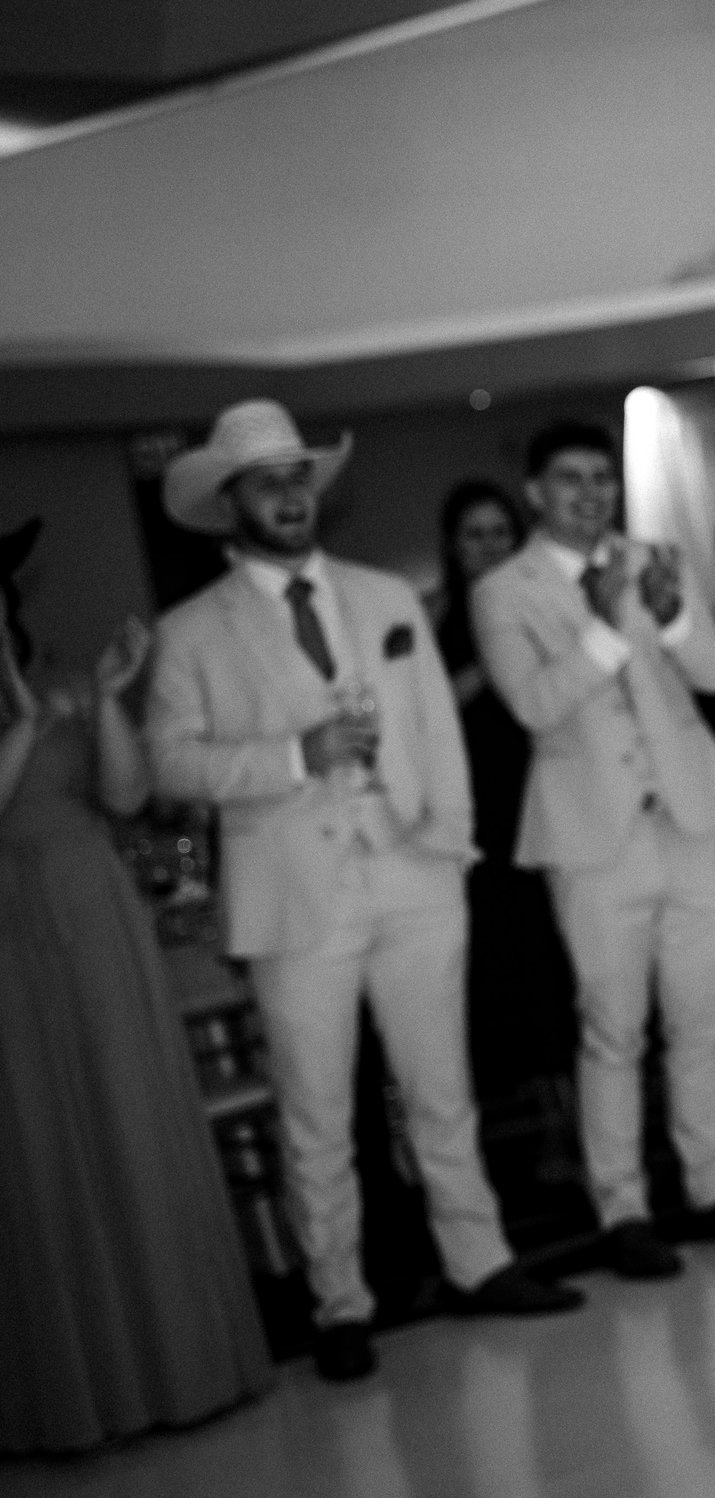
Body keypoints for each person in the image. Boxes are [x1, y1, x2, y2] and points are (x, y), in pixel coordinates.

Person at [146, 400, 582, 1385]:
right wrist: (293, 753)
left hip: (415, 875)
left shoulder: (384, 596)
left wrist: (452, 847)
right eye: (268, 481)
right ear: (231, 501)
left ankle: (480, 1260)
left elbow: (436, 727)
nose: (289, 494)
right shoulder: (191, 634)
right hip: (294, 900)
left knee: (442, 1090)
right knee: (317, 1114)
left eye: (299, 476)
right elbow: (170, 761)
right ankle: (340, 1299)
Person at [470, 420, 715, 1278]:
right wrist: (613, 622)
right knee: (613, 1030)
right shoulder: (504, 590)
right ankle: (622, 1206)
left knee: (701, 1019)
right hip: (591, 837)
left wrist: (672, 612)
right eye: (570, 479)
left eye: (601, 479)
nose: (590, 494)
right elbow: (535, 704)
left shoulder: (655, 559)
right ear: (536, 491)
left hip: (688, 813)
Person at [0, 536, 274, 1452]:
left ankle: (183, 1362)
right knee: (38, 1141)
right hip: (11, 936)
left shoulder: (70, 686)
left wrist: (108, 697)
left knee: (131, 1114)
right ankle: (78, 1391)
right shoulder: (36, 712)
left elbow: (124, 796)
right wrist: (27, 719)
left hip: (96, 918)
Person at [434, 481, 578, 1185]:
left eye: (499, 532)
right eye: (474, 535)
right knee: (521, 977)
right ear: (453, 549)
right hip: (487, 813)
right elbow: (430, 714)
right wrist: (486, 668)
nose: (489, 545)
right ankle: (552, 1127)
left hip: (548, 787)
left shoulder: (536, 601)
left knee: (569, 966)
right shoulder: (442, 622)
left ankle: (590, 1127)